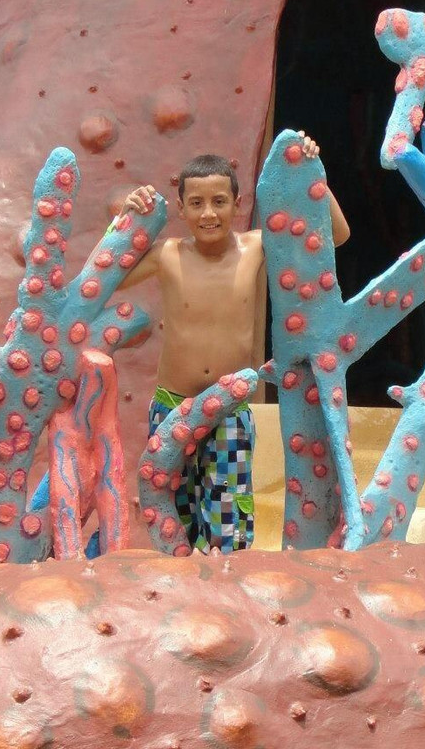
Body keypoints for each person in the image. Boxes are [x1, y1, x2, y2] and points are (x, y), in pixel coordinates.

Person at [113, 133, 349, 554]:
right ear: (181, 208)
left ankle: (225, 584)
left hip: (230, 408)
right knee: (174, 514)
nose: (208, 213)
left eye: (219, 201)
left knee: (229, 520)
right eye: (197, 203)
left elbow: (336, 234)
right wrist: (125, 221)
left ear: (238, 204)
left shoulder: (257, 246)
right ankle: (181, 587)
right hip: (172, 405)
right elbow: (112, 275)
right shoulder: (166, 253)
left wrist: (316, 177)